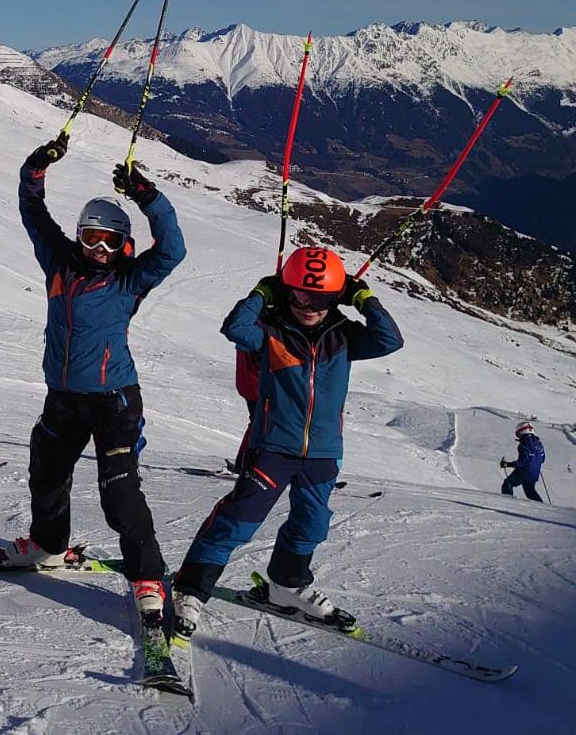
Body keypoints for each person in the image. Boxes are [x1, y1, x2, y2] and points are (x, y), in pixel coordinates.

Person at [0, 139, 186, 624]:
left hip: (114, 399)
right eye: (91, 238)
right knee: (47, 475)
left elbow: (174, 249)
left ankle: (147, 575)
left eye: (111, 241)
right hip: (63, 396)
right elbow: (32, 211)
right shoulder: (58, 262)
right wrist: (34, 169)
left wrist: (147, 196)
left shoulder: (129, 279)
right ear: (78, 236)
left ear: (125, 245)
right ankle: (48, 546)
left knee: (119, 491)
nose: (100, 249)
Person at [170, 247, 403, 640]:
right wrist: (264, 293)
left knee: (311, 524)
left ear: (338, 297)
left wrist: (364, 298)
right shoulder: (271, 331)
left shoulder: (344, 336)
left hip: (323, 453)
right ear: (286, 291)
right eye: (299, 294)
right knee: (237, 521)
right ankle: (190, 589)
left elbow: (389, 340)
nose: (309, 305)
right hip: (274, 448)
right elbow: (235, 329)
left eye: (323, 297)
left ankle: (286, 585)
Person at [500, 422, 545, 503]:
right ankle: (542, 506)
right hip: (534, 473)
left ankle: (507, 503)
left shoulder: (524, 444)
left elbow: (522, 461)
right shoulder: (539, 444)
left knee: (508, 483)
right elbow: (542, 459)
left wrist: (507, 464)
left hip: (524, 472)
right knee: (530, 491)